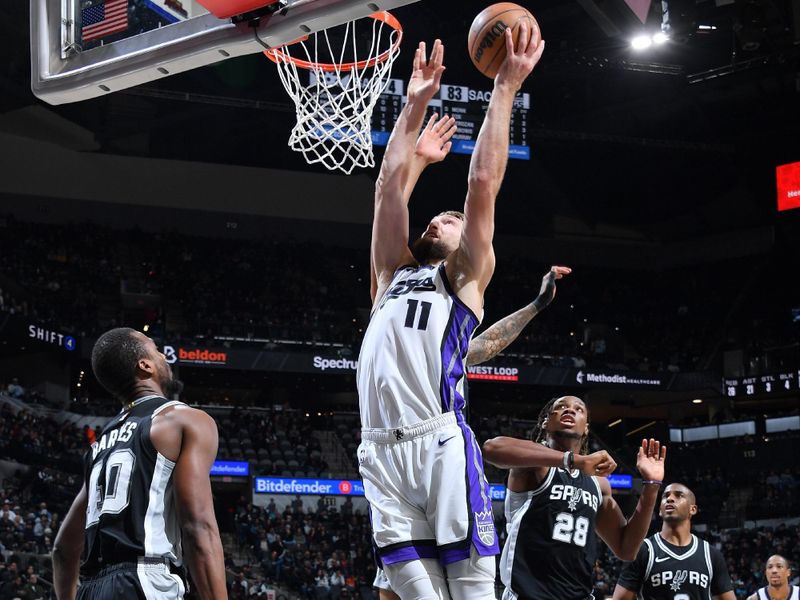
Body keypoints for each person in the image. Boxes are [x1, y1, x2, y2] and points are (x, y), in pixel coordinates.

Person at [356, 22, 545, 599]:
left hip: (439, 446)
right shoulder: (390, 275)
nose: (444, 216)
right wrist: (413, 107)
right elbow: (390, 190)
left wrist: (506, 87)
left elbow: (483, 181)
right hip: (379, 454)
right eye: (439, 215)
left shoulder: (461, 278)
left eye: (454, 218)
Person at [374, 264, 572, 600]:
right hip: (396, 458)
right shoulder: (395, 323)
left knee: (469, 582)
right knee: (394, 582)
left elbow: (489, 342)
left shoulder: (448, 333)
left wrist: (537, 305)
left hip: (443, 453)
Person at [52, 327, 227, 600]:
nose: (163, 356)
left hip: (90, 590)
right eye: (156, 350)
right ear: (145, 366)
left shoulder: (98, 448)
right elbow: (198, 527)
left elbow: (62, 550)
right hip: (145, 581)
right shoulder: (182, 419)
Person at [482, 396, 666, 600]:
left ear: (586, 428)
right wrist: (573, 460)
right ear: (545, 422)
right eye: (561, 407)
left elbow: (626, 549)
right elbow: (491, 448)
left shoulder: (599, 484)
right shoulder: (534, 462)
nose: (569, 410)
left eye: (578, 409)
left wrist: (651, 486)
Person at [612, 482, 735, 600]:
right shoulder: (643, 550)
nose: (670, 498)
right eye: (665, 496)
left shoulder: (711, 554)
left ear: (692, 509)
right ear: (660, 510)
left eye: (678, 495)